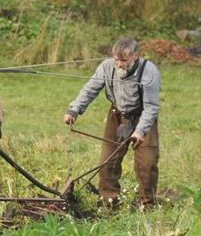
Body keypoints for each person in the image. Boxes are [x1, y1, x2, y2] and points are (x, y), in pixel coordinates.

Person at [63, 37, 161, 208]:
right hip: (117, 116)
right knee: (108, 161)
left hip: (143, 116)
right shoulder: (107, 67)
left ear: (135, 56)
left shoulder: (149, 71)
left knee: (147, 163)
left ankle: (147, 204)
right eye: (116, 59)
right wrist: (74, 110)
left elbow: (151, 107)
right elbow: (90, 89)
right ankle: (109, 202)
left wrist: (139, 131)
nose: (119, 64)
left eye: (124, 60)